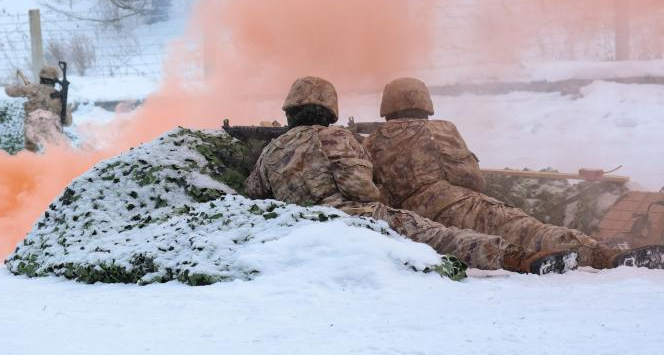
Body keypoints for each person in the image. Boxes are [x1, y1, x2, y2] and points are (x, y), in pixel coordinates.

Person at [244, 76, 570, 274]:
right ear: (331, 111)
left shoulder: (271, 151)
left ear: (289, 111)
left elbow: (254, 195)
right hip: (365, 216)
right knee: (443, 239)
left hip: (309, 229)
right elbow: (361, 186)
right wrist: (375, 203)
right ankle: (521, 259)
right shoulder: (339, 138)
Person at [363, 77, 664, 270]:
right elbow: (471, 178)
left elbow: (372, 188)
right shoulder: (439, 130)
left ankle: (534, 261)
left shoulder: (372, 141)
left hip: (415, 218)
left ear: (387, 106)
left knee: (486, 244)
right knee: (527, 229)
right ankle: (602, 255)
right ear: (424, 103)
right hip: (458, 202)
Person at [5, 65, 72, 152]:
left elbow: (9, 91)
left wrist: (16, 84)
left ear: (40, 77)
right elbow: (68, 122)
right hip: (51, 133)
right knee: (54, 154)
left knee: (30, 152)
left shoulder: (32, 89)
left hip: (32, 131)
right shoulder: (60, 96)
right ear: (55, 80)